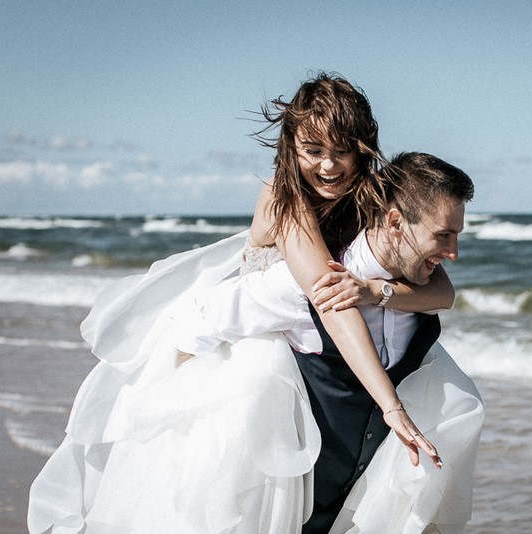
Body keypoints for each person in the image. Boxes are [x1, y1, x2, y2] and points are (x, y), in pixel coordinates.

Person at [27, 74, 453, 532]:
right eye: (313, 152)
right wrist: (391, 406)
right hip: (252, 347)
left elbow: (442, 291)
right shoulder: (282, 196)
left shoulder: (368, 194)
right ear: (291, 148)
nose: (329, 166)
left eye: (342, 151)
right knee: (233, 499)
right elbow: (328, 300)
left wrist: (377, 291)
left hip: (311, 351)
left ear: (361, 147)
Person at [173, 152, 482, 532]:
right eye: (443, 235)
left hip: (361, 514)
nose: (454, 253)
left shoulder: (416, 293)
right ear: (396, 222)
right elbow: (196, 322)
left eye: (457, 236)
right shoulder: (309, 287)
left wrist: (376, 291)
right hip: (289, 511)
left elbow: (444, 297)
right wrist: (190, 430)